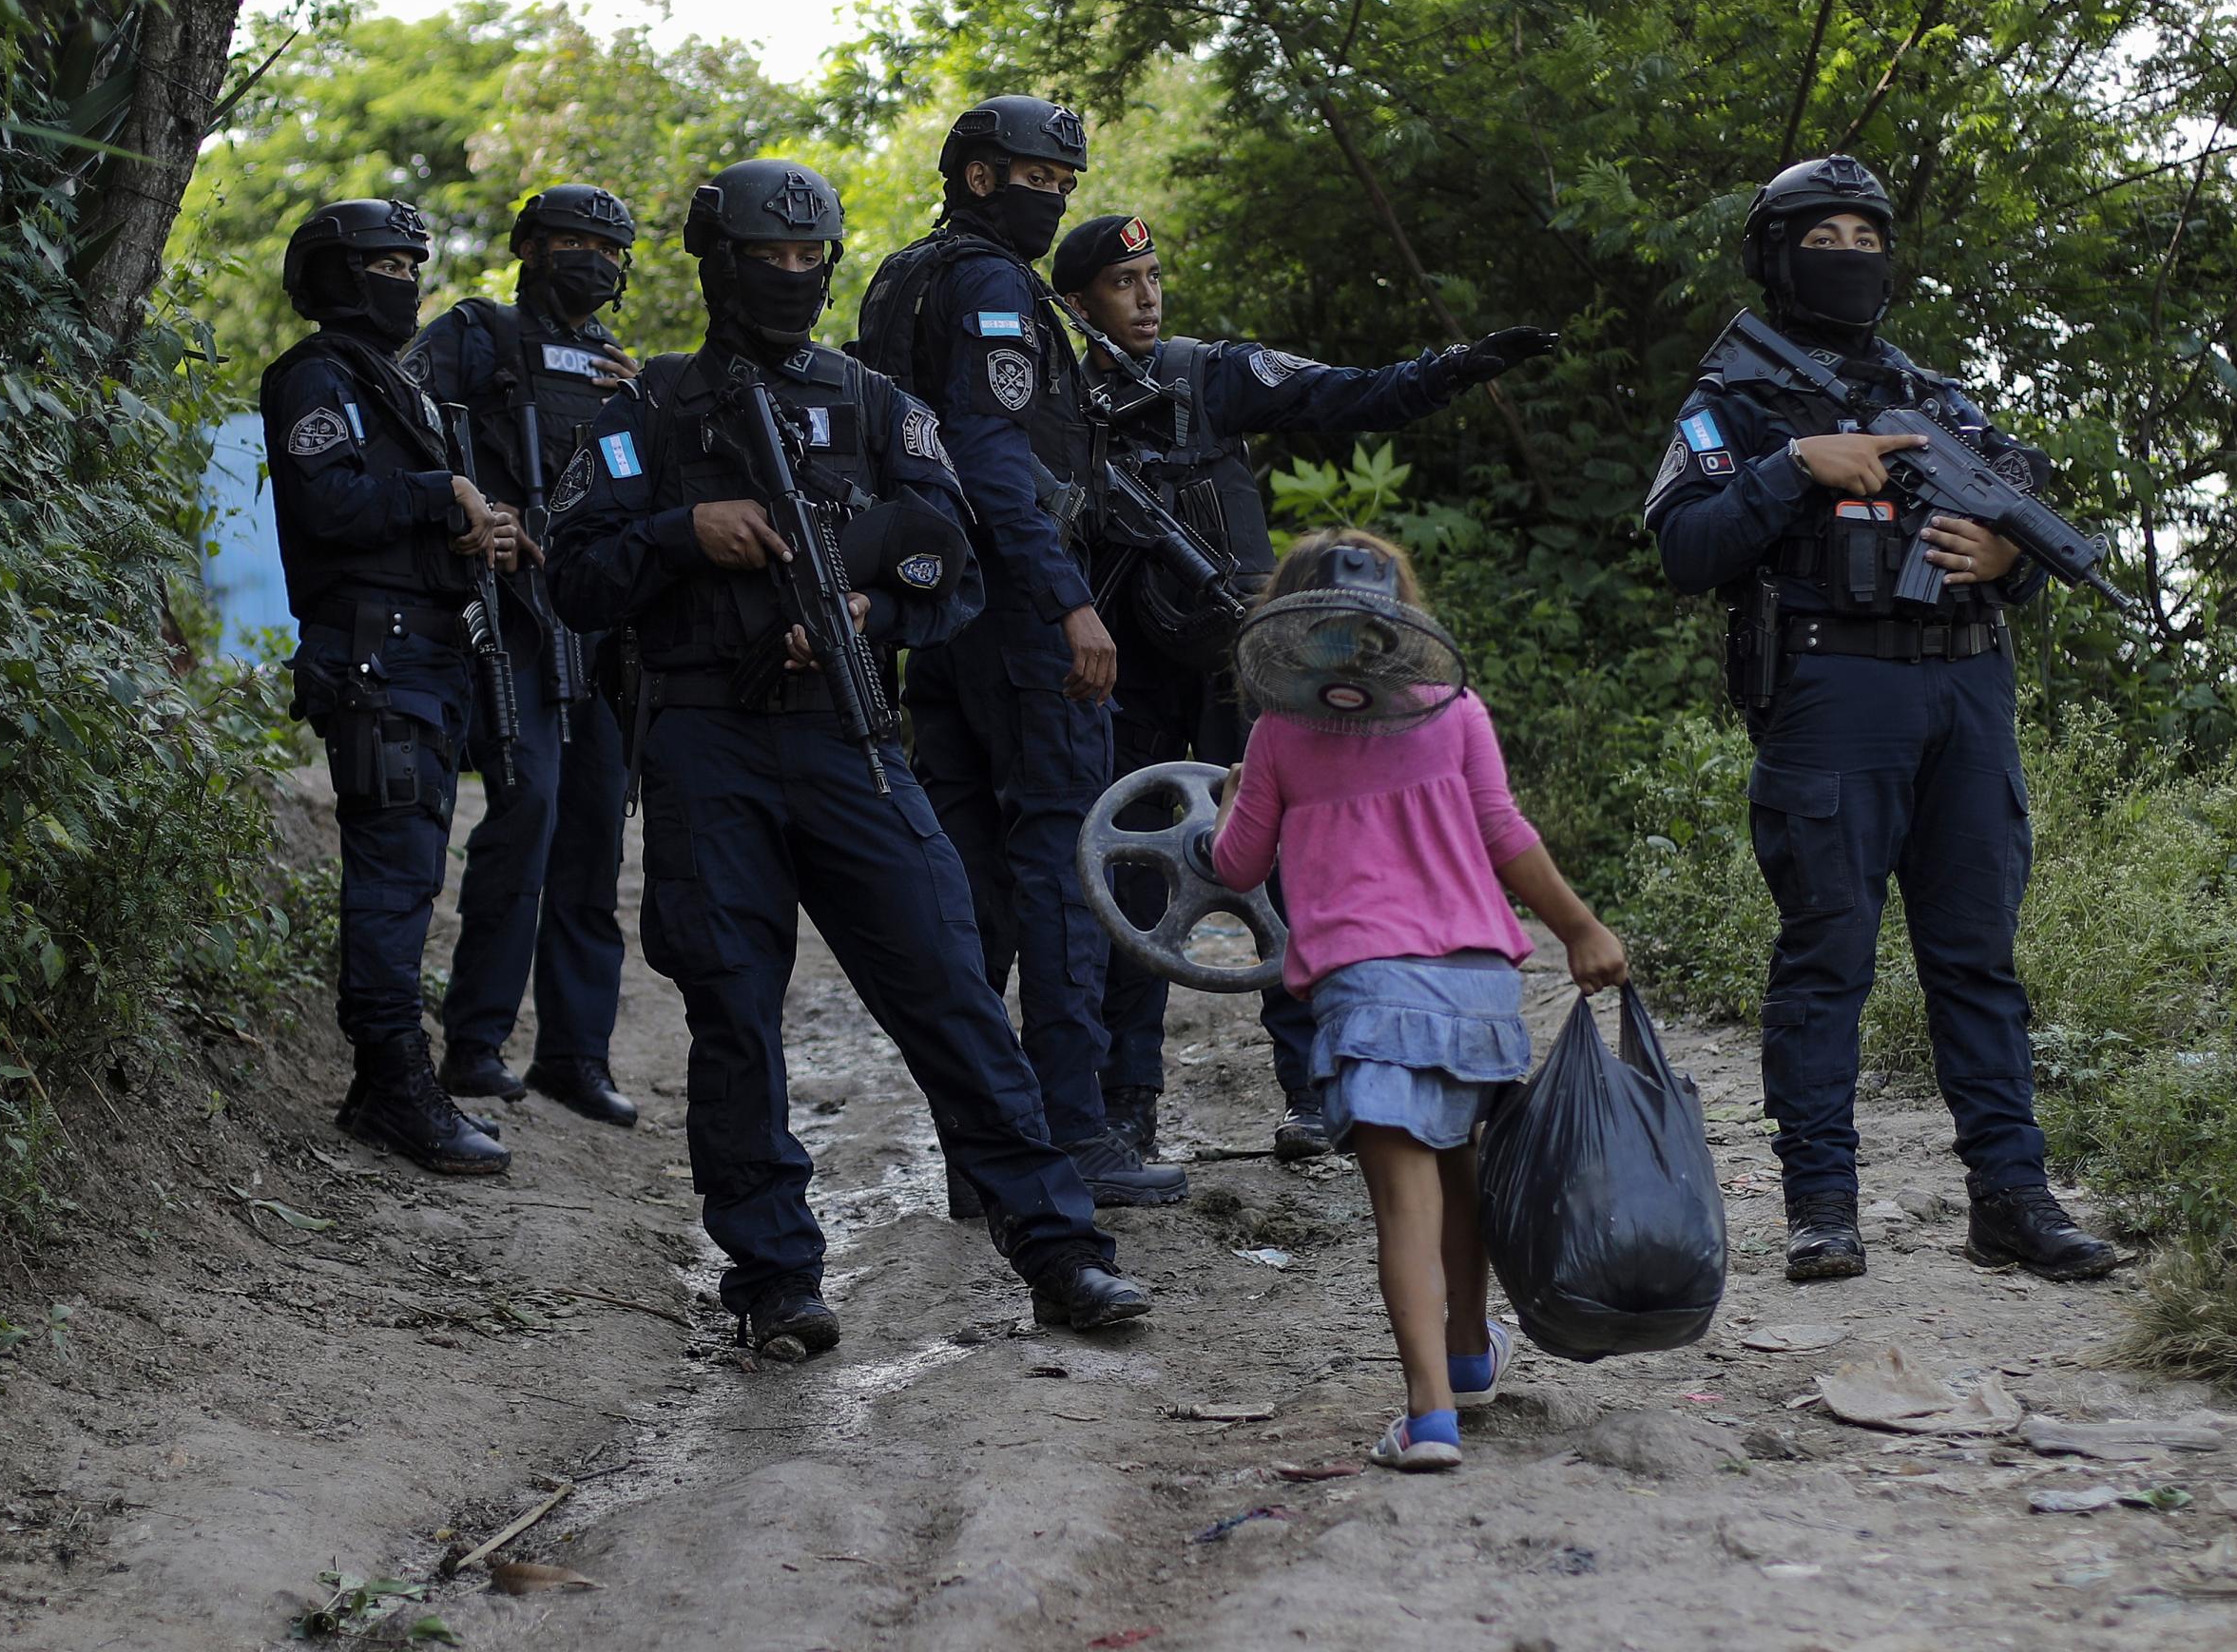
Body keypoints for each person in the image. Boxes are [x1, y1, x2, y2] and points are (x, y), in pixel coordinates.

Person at [548, 156, 1152, 1353]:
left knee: (951, 989)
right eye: (764, 257)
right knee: (734, 1012)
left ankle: (1061, 1249)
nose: (788, 276)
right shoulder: (645, 407)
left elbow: (954, 570)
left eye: (805, 257)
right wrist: (684, 531)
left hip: (851, 739)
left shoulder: (875, 405)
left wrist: (877, 612)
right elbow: (573, 575)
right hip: (705, 742)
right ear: (715, 263)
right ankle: (776, 1276)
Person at [1644, 151, 2120, 1285]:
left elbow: (2018, 538)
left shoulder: (1942, 401)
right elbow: (1685, 547)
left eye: (1868, 239)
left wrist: (2007, 558)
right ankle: (1820, 1205)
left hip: (1967, 687)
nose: (1849, 258)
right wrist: (1796, 467)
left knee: (1978, 959)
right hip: (1831, 690)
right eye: (1825, 238)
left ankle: (2012, 1195)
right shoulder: (1737, 402)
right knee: (1828, 957)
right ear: (1775, 255)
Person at [1049, 211, 1559, 1163]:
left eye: (1156, 276)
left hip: (1254, 663)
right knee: (1139, 874)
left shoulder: (1211, 373)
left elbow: (1347, 396)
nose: (1149, 296)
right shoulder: (1054, 403)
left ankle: (1315, 1084)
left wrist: (1455, 368)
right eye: (1125, 284)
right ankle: (1128, 1103)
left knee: (1293, 863)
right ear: (1077, 305)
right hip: (1131, 671)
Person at [1211, 530, 1628, 1471]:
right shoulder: (1456, 708)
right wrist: (1580, 928)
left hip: (1370, 986)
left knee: (1403, 1201)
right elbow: (1501, 830)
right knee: (1461, 1177)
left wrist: (1237, 798)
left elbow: (1236, 865)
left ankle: (1429, 1415)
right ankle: (1472, 1353)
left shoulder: (1278, 732)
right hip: (1477, 983)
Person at [852, 98, 1185, 1208]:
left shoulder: (901, 274)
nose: (1053, 195)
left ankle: (982, 1151)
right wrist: (1065, 605)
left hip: (935, 612)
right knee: (1058, 864)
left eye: (1065, 179)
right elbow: (993, 459)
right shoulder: (990, 284)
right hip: (1011, 614)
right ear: (980, 175)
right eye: (1037, 175)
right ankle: (1071, 1135)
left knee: (974, 883)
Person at [260, 199, 520, 1176]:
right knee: (392, 877)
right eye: (384, 264)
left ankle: (381, 1082)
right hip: (376, 658)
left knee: (413, 871)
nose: (404, 282)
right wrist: (438, 492)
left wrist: (473, 526)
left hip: (424, 653)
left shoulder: (391, 384)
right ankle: (396, 1079)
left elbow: (404, 517)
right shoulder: (317, 375)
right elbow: (329, 504)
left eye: (414, 265)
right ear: (335, 274)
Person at [412, 184, 642, 1128]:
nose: (588, 258)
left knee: (594, 828)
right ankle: (476, 1040)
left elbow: (632, 483)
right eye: (569, 241)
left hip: (596, 624)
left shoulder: (617, 370)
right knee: (528, 813)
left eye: (606, 246)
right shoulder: (474, 334)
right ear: (528, 248)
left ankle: (576, 1053)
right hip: (507, 615)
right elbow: (408, 432)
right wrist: (478, 510)